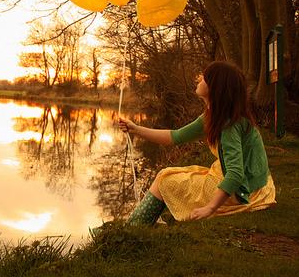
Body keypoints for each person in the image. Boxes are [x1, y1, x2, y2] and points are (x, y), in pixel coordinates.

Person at [118, 60, 276, 225]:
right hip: (249, 184)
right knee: (165, 174)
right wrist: (136, 129)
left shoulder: (228, 125)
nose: (199, 79)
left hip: (244, 191)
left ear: (215, 87)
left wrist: (210, 208)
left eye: (204, 78)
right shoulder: (214, 115)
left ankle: (133, 227)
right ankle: (139, 224)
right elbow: (175, 137)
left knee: (164, 181)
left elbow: (236, 174)